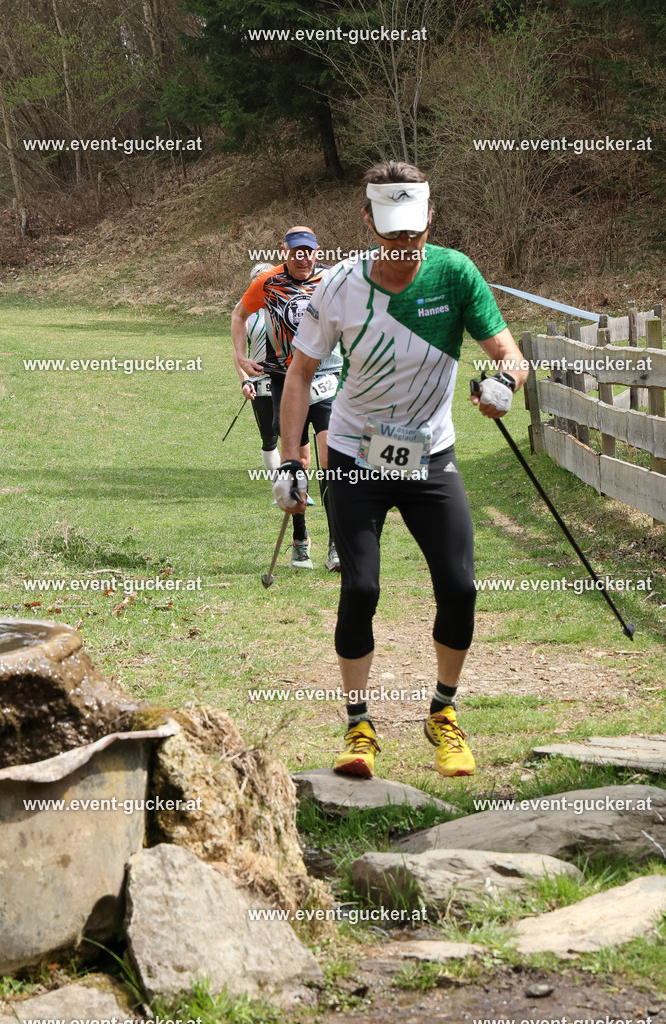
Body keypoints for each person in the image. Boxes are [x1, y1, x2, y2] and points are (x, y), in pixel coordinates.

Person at [272, 161, 529, 779]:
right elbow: (300, 375)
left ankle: (442, 713)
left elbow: (511, 355)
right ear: (367, 221)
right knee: (360, 587)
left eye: (413, 233)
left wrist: (505, 385)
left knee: (460, 587)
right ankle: (359, 725)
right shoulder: (338, 286)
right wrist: (289, 462)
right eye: (391, 235)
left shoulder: (454, 272)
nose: (404, 247)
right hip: (356, 455)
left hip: (430, 455)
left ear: (430, 218)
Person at [231, 227, 343, 571]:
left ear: (317, 250)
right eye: (297, 251)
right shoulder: (267, 282)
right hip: (285, 378)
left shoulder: (332, 279)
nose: (303, 257)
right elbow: (239, 315)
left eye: (309, 251)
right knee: (297, 463)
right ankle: (300, 539)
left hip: (327, 374)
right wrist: (240, 357)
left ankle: (337, 545)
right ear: (285, 251)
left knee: (330, 458)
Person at [231, 262, 281, 477]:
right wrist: (245, 381)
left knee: (293, 435)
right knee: (269, 437)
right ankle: (278, 485)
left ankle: (296, 486)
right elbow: (237, 352)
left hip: (286, 377)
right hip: (259, 381)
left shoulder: (285, 305)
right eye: (257, 280)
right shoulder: (245, 311)